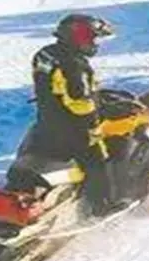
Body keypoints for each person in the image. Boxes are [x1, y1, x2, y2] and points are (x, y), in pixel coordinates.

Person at [26, 14, 117, 211]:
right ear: (80, 38)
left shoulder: (45, 54)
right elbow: (80, 101)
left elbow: (50, 86)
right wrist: (93, 125)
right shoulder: (75, 64)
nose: (94, 43)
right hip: (72, 128)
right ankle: (101, 206)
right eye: (92, 38)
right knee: (98, 159)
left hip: (47, 121)